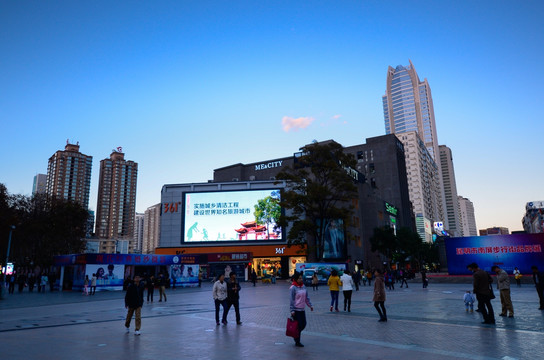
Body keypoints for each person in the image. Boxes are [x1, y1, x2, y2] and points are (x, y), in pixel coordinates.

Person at [289, 271, 313, 347]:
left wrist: (310, 305)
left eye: (301, 278)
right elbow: (291, 300)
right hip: (296, 310)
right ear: (295, 279)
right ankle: (297, 341)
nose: (301, 279)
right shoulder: (293, 288)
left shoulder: (303, 286)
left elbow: (306, 297)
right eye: (299, 278)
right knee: (299, 325)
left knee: (303, 324)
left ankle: (295, 335)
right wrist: (292, 310)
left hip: (302, 309)